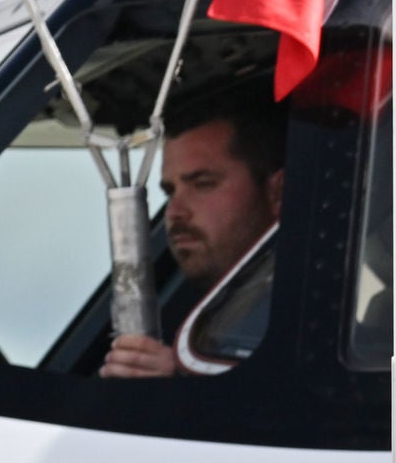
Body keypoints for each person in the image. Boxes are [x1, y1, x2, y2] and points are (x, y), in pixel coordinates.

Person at [103, 90, 284, 377]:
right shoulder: (222, 316)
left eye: (202, 184)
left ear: (278, 192)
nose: (174, 212)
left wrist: (184, 383)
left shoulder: (322, 309)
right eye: (170, 191)